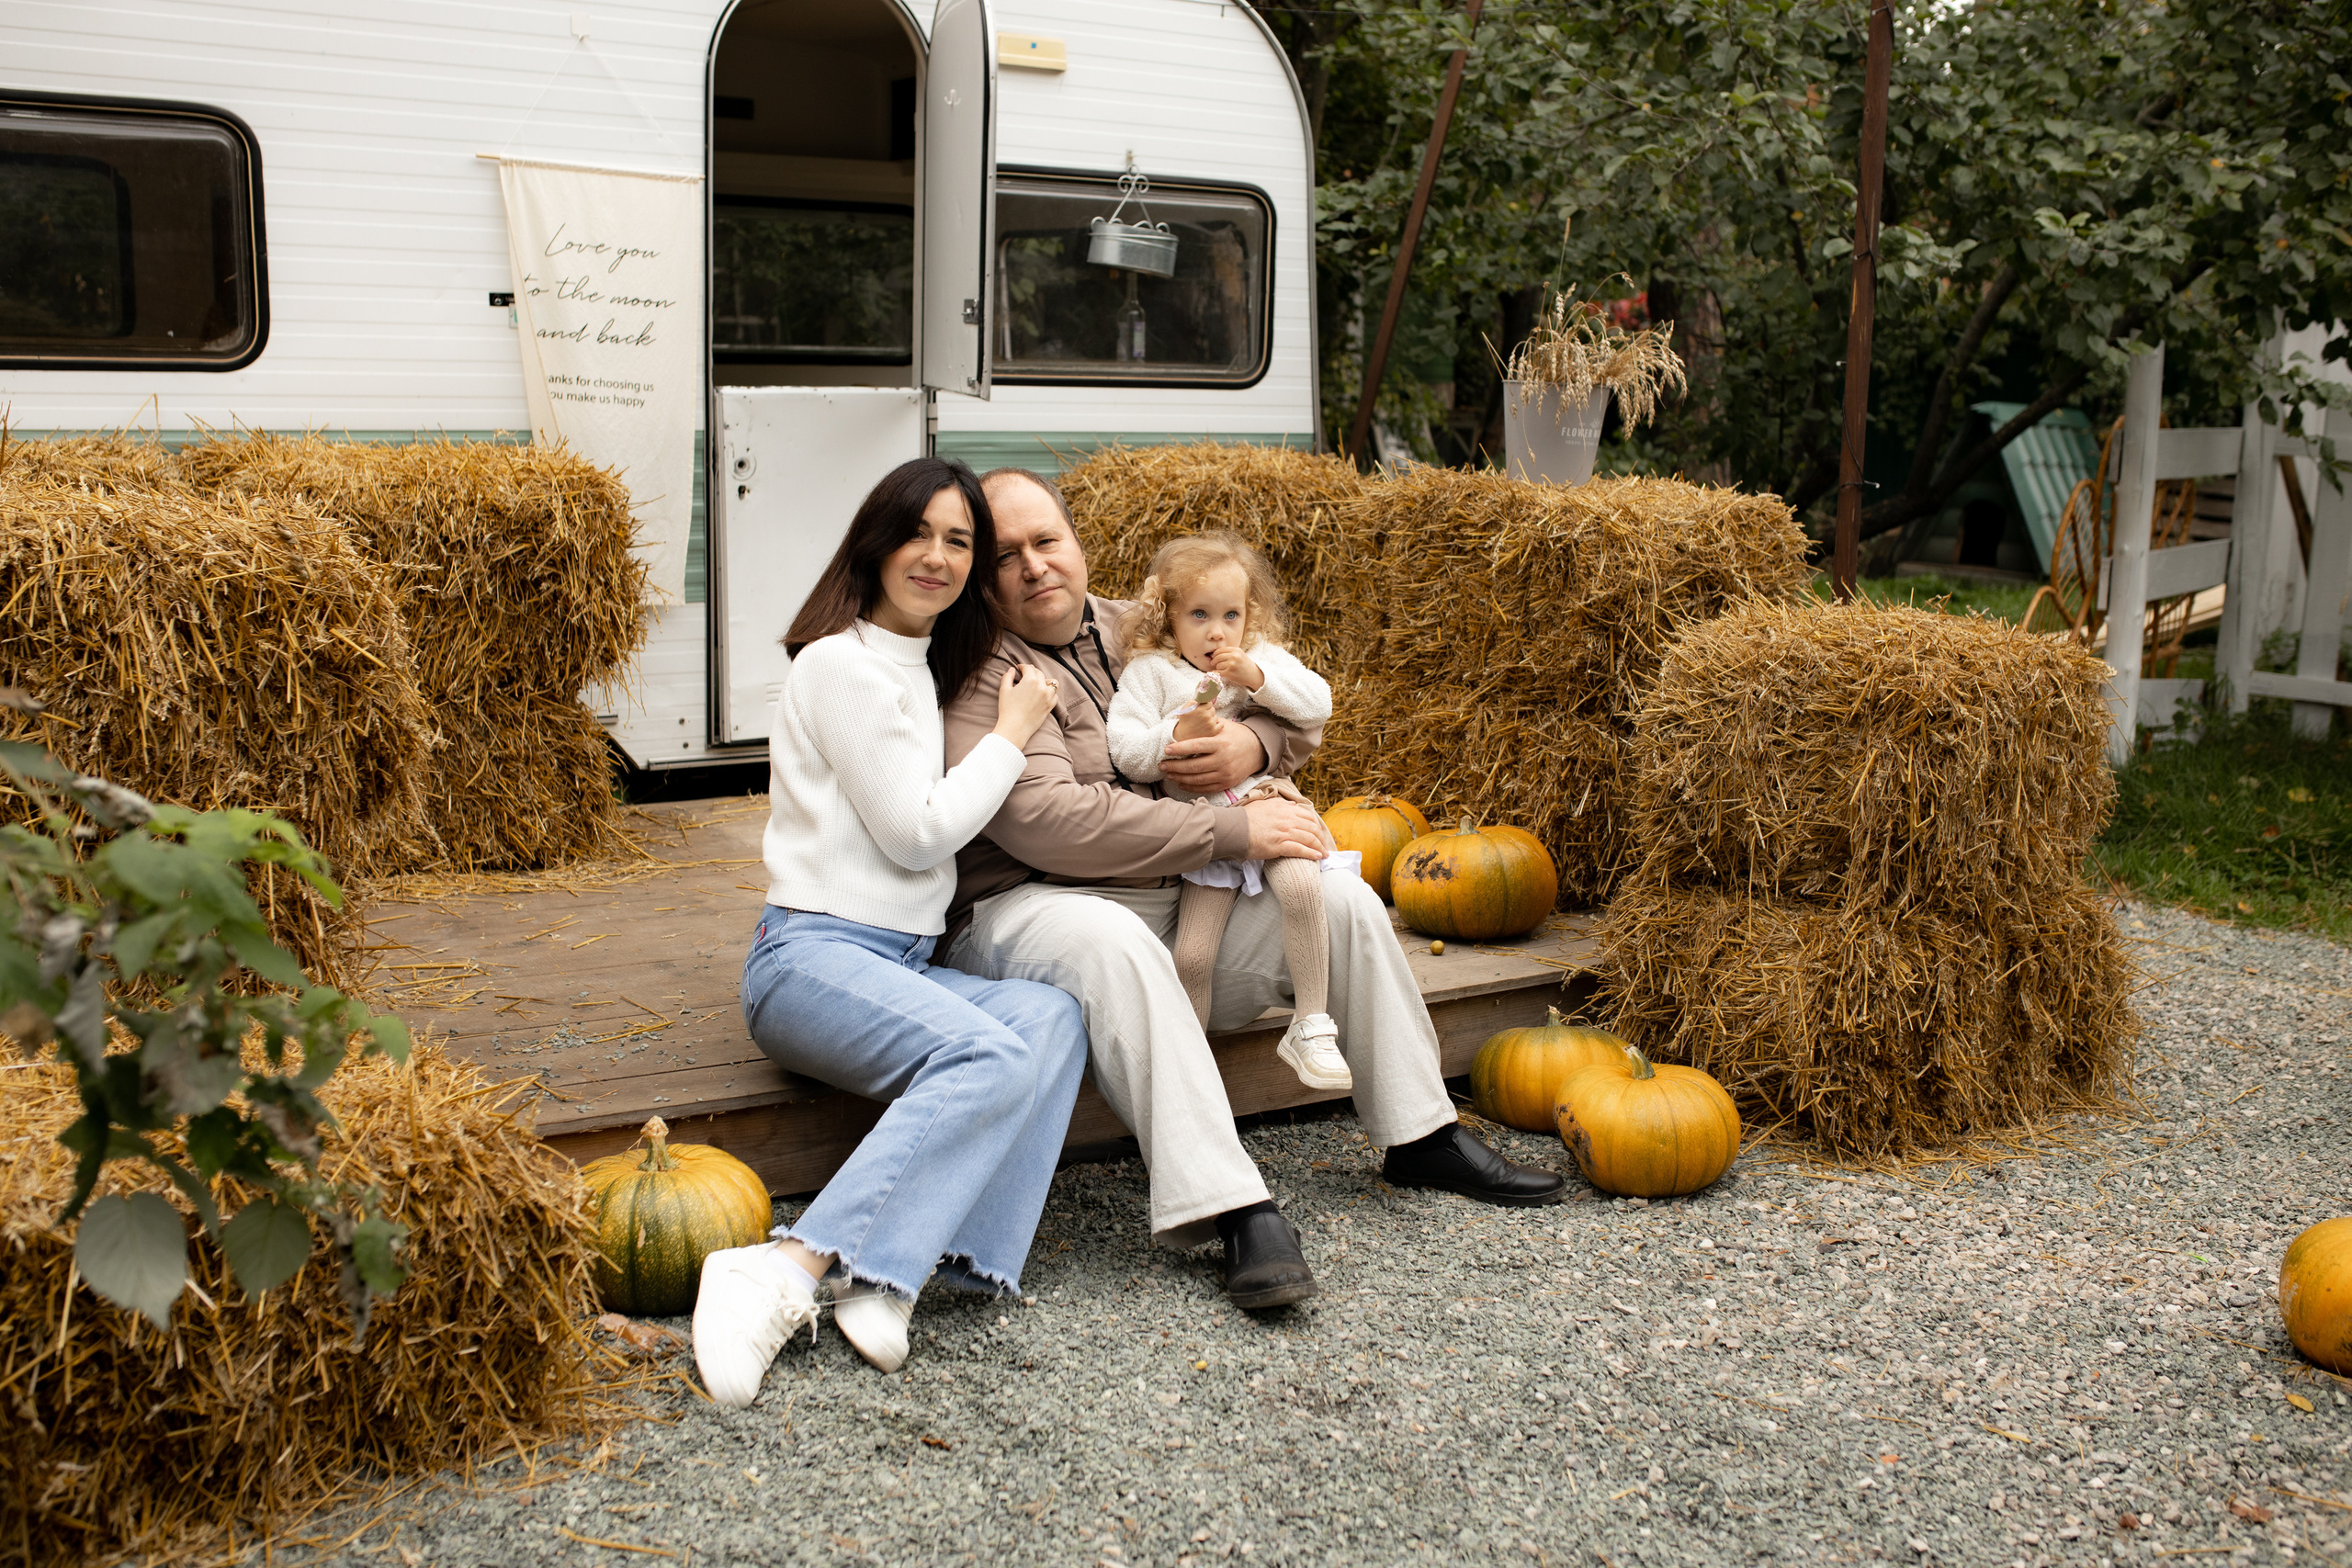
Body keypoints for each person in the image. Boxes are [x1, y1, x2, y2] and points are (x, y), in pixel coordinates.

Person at [938, 467, 1564, 1314]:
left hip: (1169, 891)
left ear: (1077, 543)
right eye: (1006, 555)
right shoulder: (980, 668)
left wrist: (1253, 751)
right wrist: (1234, 830)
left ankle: (1422, 1131)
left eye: (1047, 540)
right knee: (1113, 942)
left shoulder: (1148, 624)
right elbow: (1048, 822)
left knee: (1338, 898)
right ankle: (1231, 1204)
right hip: (1032, 908)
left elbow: (1287, 704)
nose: (1034, 566)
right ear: (983, 577)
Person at [693, 457, 1088, 1405]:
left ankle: (897, 1272)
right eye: (922, 533)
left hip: (897, 961)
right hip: (810, 959)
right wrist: (1012, 730)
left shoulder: (927, 668)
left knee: (1049, 1020)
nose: (939, 557)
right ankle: (785, 1267)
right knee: (988, 1058)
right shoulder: (841, 663)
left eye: (962, 543)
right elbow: (917, 836)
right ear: (877, 541)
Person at [1102, 531, 1353, 1095]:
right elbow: (1127, 751)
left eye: (1230, 614)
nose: (1217, 631)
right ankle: (1189, 1069)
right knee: (1191, 955)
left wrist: (1257, 680)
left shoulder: (1258, 657)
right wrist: (1175, 732)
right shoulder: (1152, 673)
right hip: (1208, 833)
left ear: (1249, 615)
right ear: (1168, 618)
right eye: (1199, 614)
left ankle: (1311, 1025)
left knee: (1302, 888)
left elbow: (1319, 703)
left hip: (1267, 806)